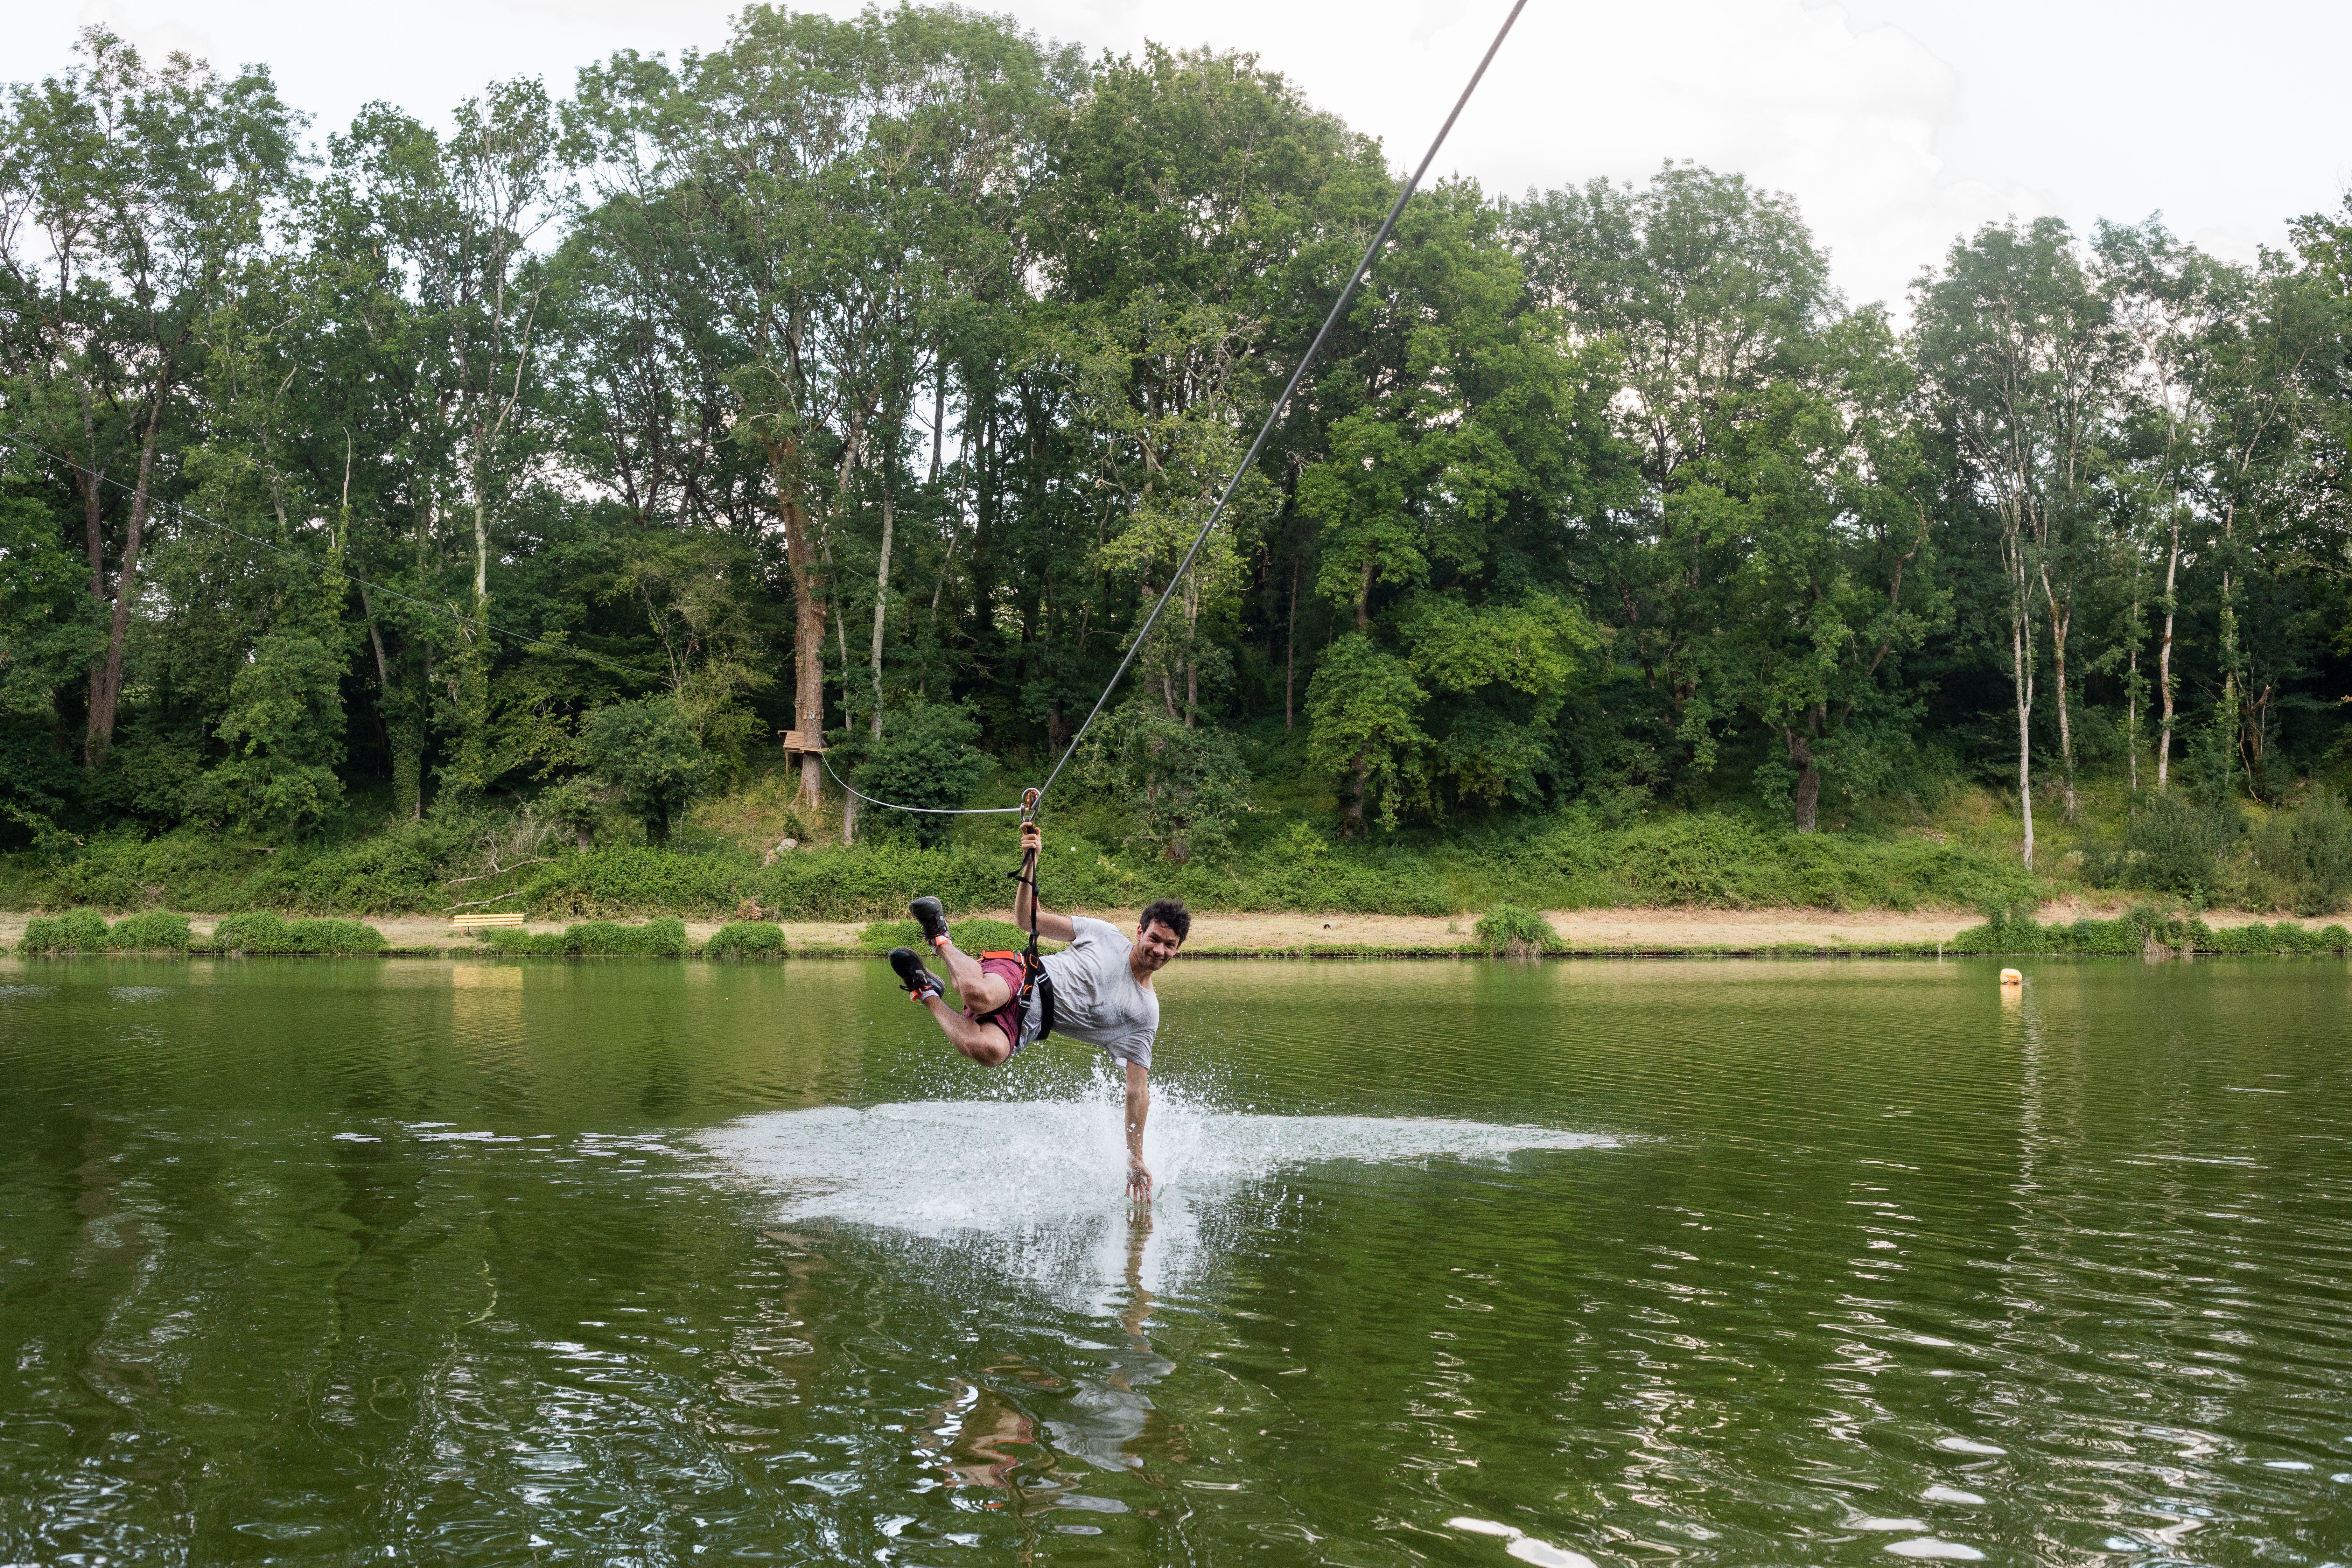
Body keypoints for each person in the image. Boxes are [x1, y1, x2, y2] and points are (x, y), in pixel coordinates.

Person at [888, 820, 1186, 1200]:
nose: (1159, 950)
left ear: (1178, 950)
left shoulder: (1144, 1014)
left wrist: (1135, 1158)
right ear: (1141, 930)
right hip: (1023, 974)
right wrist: (1031, 860)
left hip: (1027, 1024)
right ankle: (940, 936)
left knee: (991, 1052)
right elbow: (1028, 920)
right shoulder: (1106, 934)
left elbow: (1136, 1092)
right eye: (1155, 938)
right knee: (978, 996)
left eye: (1170, 946)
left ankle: (927, 990)